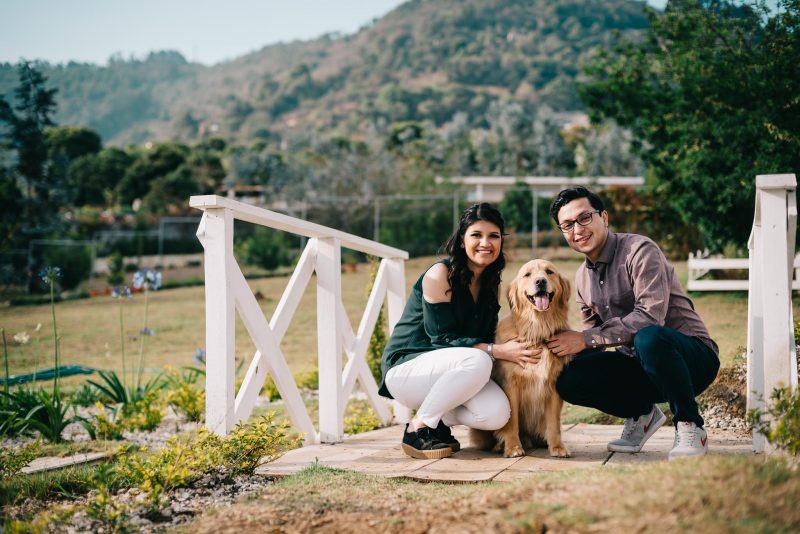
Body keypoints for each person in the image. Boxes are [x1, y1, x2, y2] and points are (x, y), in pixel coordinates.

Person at [546, 187, 720, 460]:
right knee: (569, 377)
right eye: (567, 225)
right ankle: (642, 414)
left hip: (691, 360)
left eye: (584, 218)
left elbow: (650, 316)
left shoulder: (639, 250)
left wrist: (585, 338)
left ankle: (690, 425)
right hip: (641, 366)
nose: (577, 229)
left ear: (604, 217)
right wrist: (551, 350)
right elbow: (594, 340)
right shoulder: (582, 278)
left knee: (648, 337)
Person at [379, 203, 539, 459]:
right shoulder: (440, 274)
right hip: (407, 369)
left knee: (497, 414)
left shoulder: (491, 284)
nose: (485, 242)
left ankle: (438, 421)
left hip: (450, 371)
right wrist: (497, 351)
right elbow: (440, 338)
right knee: (478, 360)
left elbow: (487, 336)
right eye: (476, 234)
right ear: (462, 240)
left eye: (494, 236)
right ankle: (418, 428)